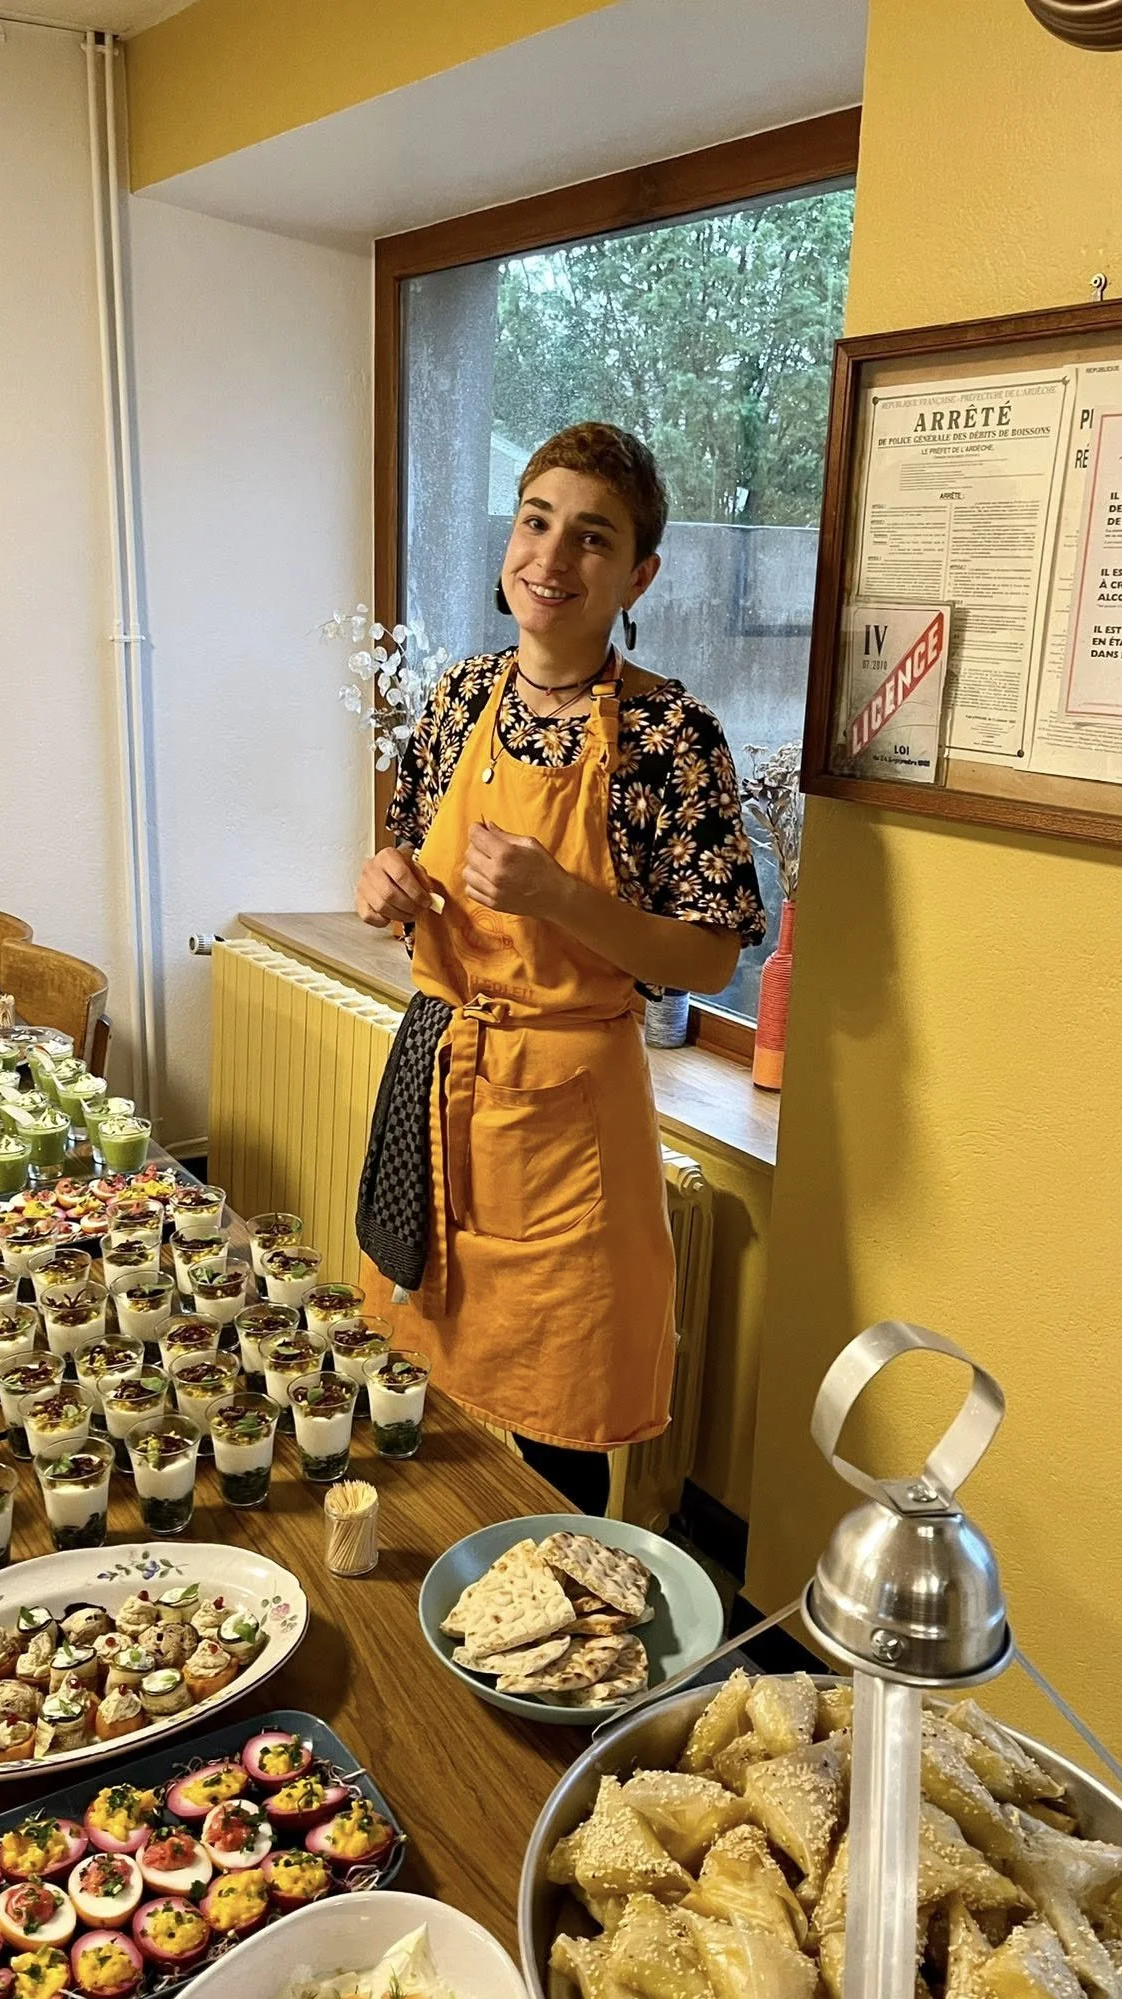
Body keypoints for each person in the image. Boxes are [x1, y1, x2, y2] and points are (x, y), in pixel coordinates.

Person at [355, 422, 764, 1514]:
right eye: (536, 521)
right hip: (443, 1083)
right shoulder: (454, 701)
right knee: (417, 1386)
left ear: (639, 573)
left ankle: (551, 1649)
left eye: (593, 537)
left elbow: (709, 951)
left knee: (555, 1417)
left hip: (572, 1122)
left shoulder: (671, 735)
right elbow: (417, 874)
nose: (552, 556)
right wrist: (390, 885)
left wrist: (561, 896)